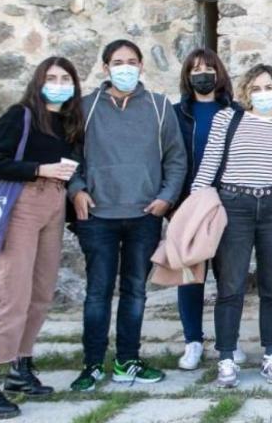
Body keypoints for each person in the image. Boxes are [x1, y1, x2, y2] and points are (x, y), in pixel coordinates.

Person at [68, 40, 186, 392]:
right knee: (98, 292)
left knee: (135, 291)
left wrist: (166, 198)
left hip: (144, 215)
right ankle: (91, 364)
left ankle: (127, 360)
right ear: (105, 68)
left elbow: (176, 159)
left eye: (132, 61)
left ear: (142, 67)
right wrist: (76, 190)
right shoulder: (85, 108)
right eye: (118, 62)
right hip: (98, 217)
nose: (125, 67)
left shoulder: (160, 106)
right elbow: (68, 157)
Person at [0, 58, 83, 418]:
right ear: (38, 82)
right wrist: (39, 169)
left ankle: (21, 367)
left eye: (65, 78)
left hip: (54, 203)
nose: (58, 83)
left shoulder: (68, 121)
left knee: (41, 292)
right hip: (23, 201)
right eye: (51, 78)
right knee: (13, 294)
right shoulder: (20, 115)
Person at [191, 64, 272, 387]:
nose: (263, 93)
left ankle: (271, 353)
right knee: (231, 285)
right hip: (234, 206)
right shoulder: (227, 119)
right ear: (245, 92)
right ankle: (226, 356)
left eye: (268, 87)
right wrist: (195, 207)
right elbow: (209, 164)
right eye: (256, 88)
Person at [172, 49, 243, 370]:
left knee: (229, 277)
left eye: (209, 68)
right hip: (191, 203)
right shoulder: (176, 114)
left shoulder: (237, 112)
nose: (203, 74)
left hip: (229, 202)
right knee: (191, 275)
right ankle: (193, 341)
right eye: (196, 69)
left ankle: (229, 340)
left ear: (220, 74)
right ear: (187, 76)